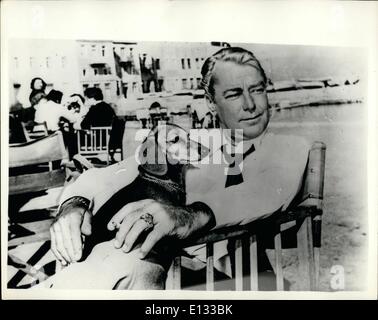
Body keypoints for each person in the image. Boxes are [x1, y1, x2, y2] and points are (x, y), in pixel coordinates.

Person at [42, 47, 310, 289]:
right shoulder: (188, 144)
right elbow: (102, 177)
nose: (251, 104)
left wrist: (189, 215)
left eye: (257, 89)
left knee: (112, 271)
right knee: (109, 269)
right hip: (172, 271)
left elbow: (265, 192)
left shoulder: (289, 148)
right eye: (234, 94)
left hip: (229, 281)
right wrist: (73, 206)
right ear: (211, 103)